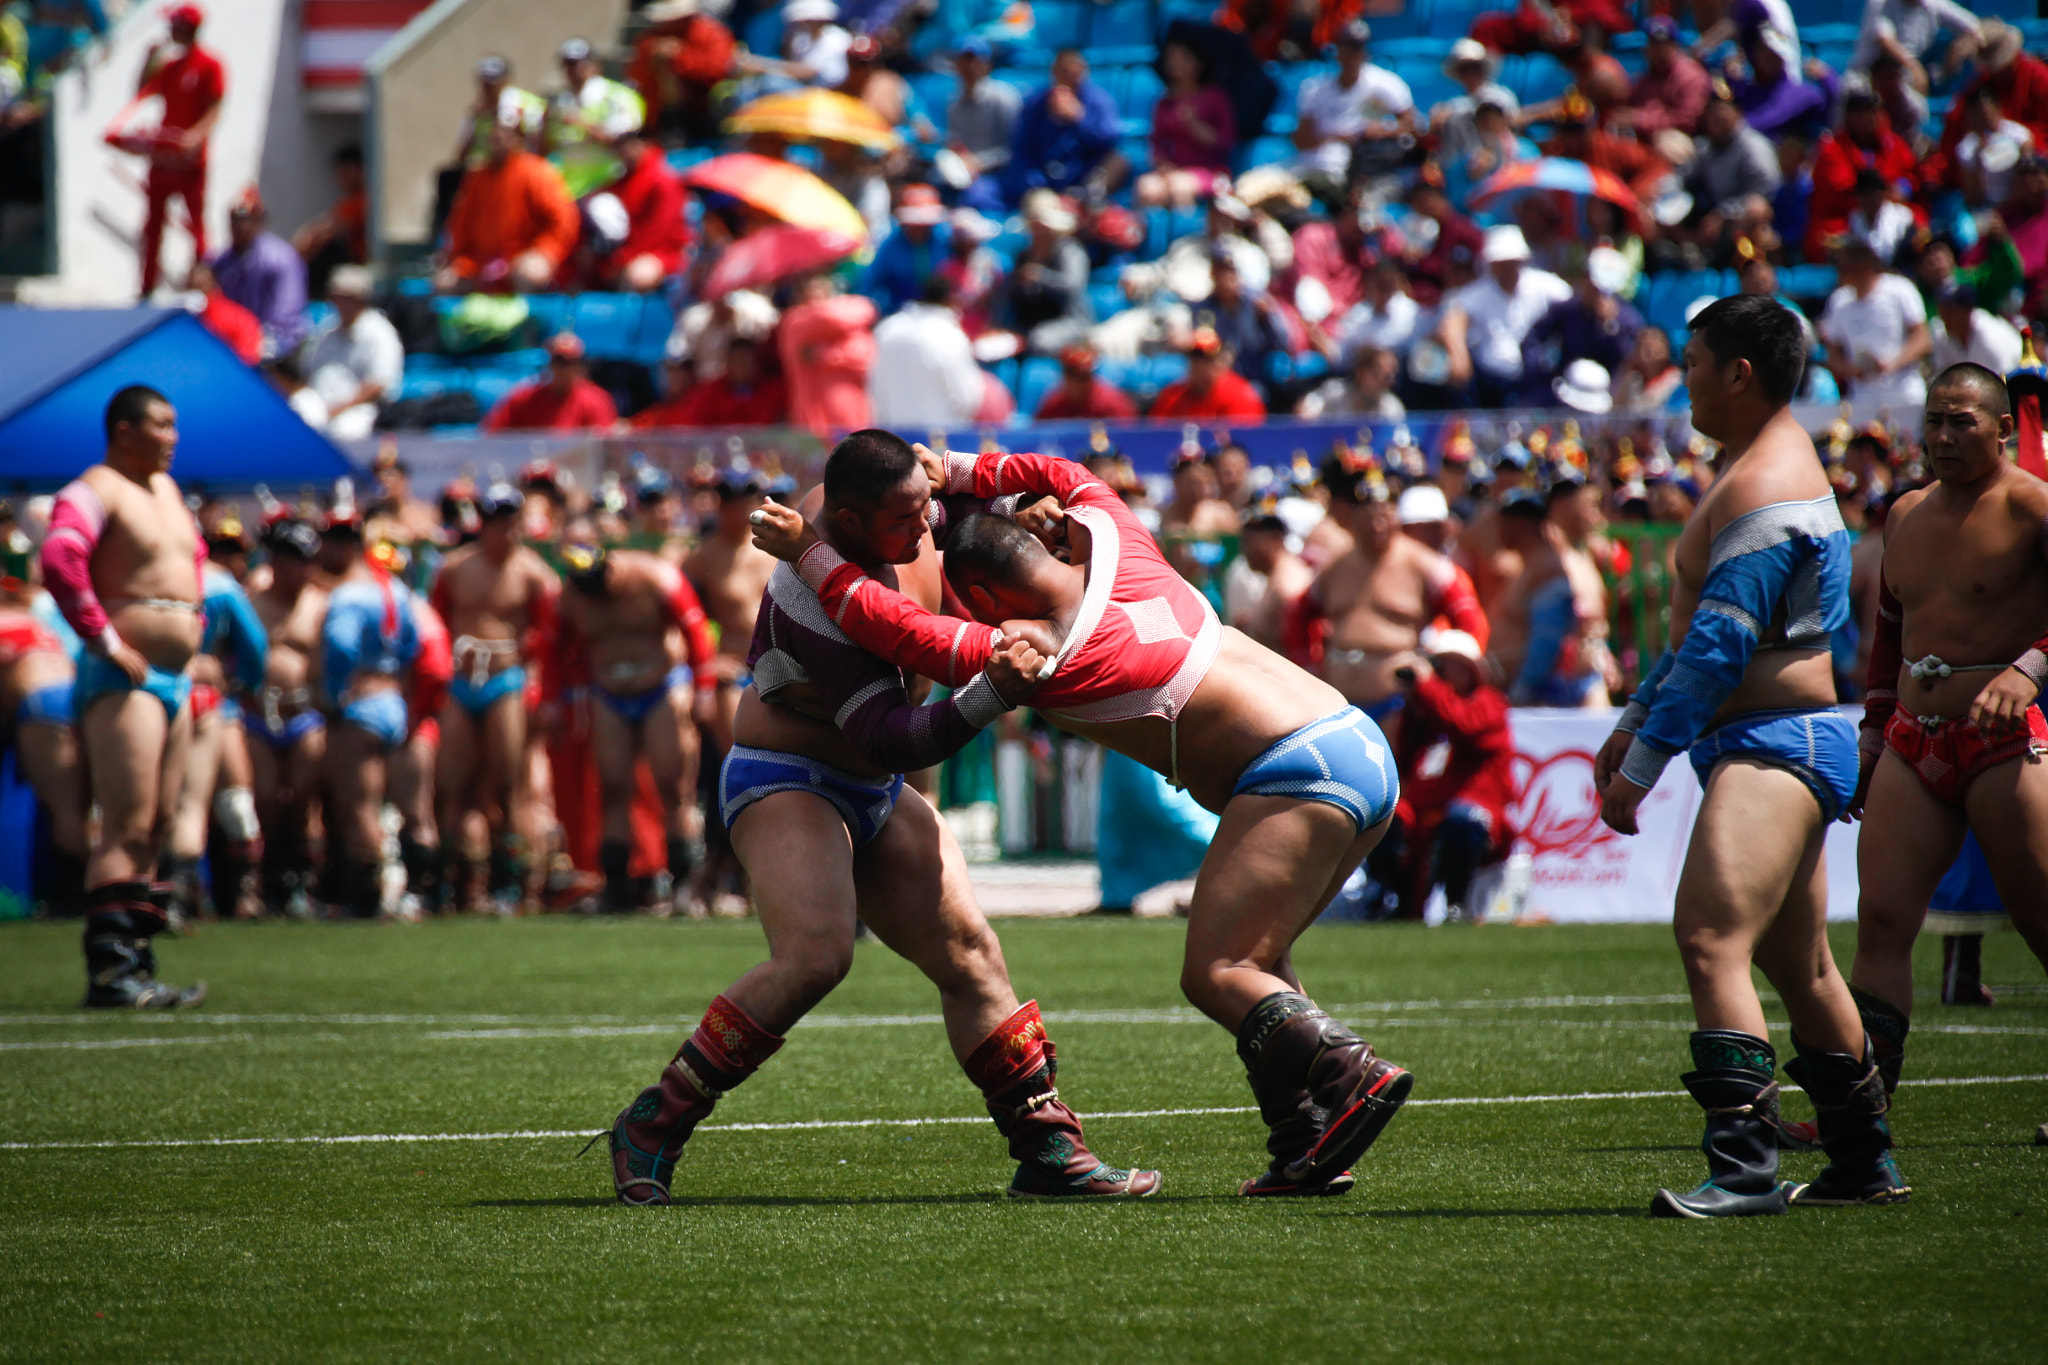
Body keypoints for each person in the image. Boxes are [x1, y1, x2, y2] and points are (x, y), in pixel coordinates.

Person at [752, 435, 1418, 1199]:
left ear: (992, 601)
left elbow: (898, 628)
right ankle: (1304, 1141)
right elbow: (1065, 473)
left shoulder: (1040, 651)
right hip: (1356, 741)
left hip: (1295, 770)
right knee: (1259, 963)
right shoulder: (1115, 531)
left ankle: (1350, 1069)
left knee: (1218, 970)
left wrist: (808, 551)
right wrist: (965, 469)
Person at [601, 433, 1155, 1206]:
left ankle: (1049, 1148)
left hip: (872, 782)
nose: (926, 525)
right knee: (817, 956)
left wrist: (1013, 501)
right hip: (792, 773)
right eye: (904, 519)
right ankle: (654, 1122)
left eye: (927, 504)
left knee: (972, 953)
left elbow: (956, 487)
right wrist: (992, 691)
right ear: (852, 523)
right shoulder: (813, 591)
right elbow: (887, 735)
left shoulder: (908, 502)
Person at [1594, 294, 1899, 1218]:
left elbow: (1723, 647)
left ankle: (1744, 1169)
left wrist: (1640, 760)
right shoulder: (1757, 467)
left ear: (1739, 373)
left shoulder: (1763, 482)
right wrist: (1639, 709)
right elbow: (1706, 638)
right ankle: (1861, 1162)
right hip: (1777, 739)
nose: (1679, 377)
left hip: (1774, 743)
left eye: (1691, 361)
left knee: (1709, 937)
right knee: (1800, 964)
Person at [1845, 362, 2048, 1153]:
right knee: (1883, 922)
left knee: (2039, 917)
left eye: (1961, 421)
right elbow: (1889, 636)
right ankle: (1859, 1113)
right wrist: (1870, 732)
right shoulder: (1903, 514)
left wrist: (2026, 670)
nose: (1941, 436)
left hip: (2005, 739)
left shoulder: (2035, 507)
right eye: (1933, 420)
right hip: (1911, 739)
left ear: (2002, 427)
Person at [38, 386, 207, 1006]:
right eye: (162, 425)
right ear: (123, 431)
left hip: (173, 678)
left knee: (158, 824)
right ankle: (110, 975)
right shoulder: (97, 487)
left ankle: (135, 960)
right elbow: (59, 557)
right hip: (125, 679)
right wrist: (104, 640)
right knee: (127, 824)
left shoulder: (166, 492)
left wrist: (194, 635)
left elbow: (193, 567)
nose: (174, 436)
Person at [543, 545, 717, 913]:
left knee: (673, 786)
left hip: (662, 687)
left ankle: (685, 886)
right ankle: (618, 887)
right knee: (612, 789)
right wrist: (552, 700)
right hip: (608, 693)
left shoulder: (655, 579)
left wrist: (703, 689)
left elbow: (696, 631)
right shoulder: (572, 599)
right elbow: (552, 648)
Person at [429, 483, 560, 913]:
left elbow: (547, 639)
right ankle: (458, 882)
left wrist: (538, 689)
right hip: (462, 679)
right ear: (483, 525)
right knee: (452, 785)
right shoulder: (454, 569)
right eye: (499, 524)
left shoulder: (534, 573)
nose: (507, 533)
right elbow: (436, 624)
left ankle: (516, 883)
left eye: (513, 524)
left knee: (508, 786)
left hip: (506, 679)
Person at [1287, 461, 1488, 724]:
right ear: (1353, 518)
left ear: (1396, 516)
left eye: (1384, 516)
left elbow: (1469, 618)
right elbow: (1297, 616)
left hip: (1398, 702)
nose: (1377, 525)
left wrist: (1450, 675)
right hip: (1339, 701)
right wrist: (1309, 668)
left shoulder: (1425, 565)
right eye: (1369, 517)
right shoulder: (1334, 568)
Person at [160, 520, 266, 921]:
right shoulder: (222, 584)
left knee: (163, 804)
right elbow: (255, 645)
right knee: (223, 803)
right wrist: (243, 684)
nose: (231, 559)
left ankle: (181, 895)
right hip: (207, 700)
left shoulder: (146, 575)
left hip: (153, 695)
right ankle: (233, 897)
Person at [316, 516, 421, 919]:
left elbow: (340, 647)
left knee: (359, 803)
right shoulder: (394, 589)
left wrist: (335, 693)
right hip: (393, 699)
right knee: (390, 805)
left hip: (360, 705)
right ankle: (398, 887)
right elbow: (413, 645)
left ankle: (372, 895)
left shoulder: (349, 595)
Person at [1381, 630, 1514, 921]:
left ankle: (1457, 903)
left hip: (1470, 813)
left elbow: (1464, 726)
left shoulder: (1488, 702)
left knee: (1461, 820)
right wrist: (1415, 701)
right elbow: (1403, 758)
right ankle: (1399, 904)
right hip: (1423, 811)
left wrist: (1428, 687)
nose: (1439, 671)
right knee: (1384, 818)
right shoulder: (1427, 709)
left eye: (1447, 663)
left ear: (1470, 669)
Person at [245, 519, 328, 918]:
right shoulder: (251, 601)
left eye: (308, 560)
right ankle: (265, 881)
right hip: (258, 714)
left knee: (301, 799)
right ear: (276, 560)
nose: (304, 569)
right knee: (263, 798)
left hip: (304, 714)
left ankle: (301, 881)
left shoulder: (320, 603)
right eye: (295, 560)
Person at [0, 566, 85, 916]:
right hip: (73, 699)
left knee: (67, 814)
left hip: (41, 706)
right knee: (80, 807)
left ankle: (74, 900)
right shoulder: (33, 620)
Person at [1494, 477, 1614, 707]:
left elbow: (1547, 637)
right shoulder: (1537, 563)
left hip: (1551, 692)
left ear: (1516, 522)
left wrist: (1523, 691)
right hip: (1548, 689)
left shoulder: (1550, 567)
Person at [131, 3, 223, 298]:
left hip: (190, 162)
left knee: (196, 225)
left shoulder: (209, 65)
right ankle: (146, 288)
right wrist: (149, 61)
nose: (169, 30)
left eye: (174, 24)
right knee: (152, 225)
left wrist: (195, 137)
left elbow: (214, 108)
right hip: (164, 159)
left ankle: (201, 288)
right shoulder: (171, 65)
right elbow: (142, 93)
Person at [436, 117, 580, 294]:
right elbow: (460, 224)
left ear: (518, 138)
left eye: (505, 132)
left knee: (529, 273)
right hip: (480, 261)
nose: (498, 137)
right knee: (444, 283)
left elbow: (564, 221)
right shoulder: (477, 177)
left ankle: (527, 319)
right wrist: (454, 257)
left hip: (523, 256)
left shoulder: (537, 171)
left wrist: (545, 252)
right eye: (495, 132)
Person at [1434, 225, 1572, 409]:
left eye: (1511, 262)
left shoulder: (1545, 285)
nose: (1506, 268)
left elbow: (1575, 307)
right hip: (1491, 381)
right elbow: (1453, 322)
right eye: (1500, 262)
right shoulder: (1479, 292)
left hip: (1537, 376)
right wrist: (1459, 355)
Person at [1289, 20, 1413, 201]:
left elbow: (1410, 125)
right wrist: (1335, 136)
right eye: (1346, 46)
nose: (1351, 53)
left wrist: (1378, 130)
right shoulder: (1315, 89)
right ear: (1337, 49)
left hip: (1359, 171)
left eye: (1357, 47)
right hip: (1316, 166)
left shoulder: (1385, 83)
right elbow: (1301, 140)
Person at [1819, 237, 1930, 408]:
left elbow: (1922, 339)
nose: (1840, 268)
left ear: (1864, 263)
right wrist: (1853, 370)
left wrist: (1891, 364)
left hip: (1905, 395)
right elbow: (1833, 356)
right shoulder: (1838, 301)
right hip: (1863, 401)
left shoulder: (1900, 289)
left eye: (1846, 262)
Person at [1001, 48, 1121, 206]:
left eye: (1074, 72)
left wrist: (1078, 118)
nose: (1068, 78)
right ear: (1054, 72)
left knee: (1118, 161)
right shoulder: (1036, 104)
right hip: (1044, 187)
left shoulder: (1099, 101)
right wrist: (1036, 185)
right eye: (1063, 71)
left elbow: (1109, 140)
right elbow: (1022, 148)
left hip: (1085, 185)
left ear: (1083, 72)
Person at [869, 274, 985, 431]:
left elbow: (873, 385)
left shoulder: (888, 329)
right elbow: (967, 397)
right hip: (939, 439)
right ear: (949, 299)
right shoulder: (948, 334)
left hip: (892, 435)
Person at [303, 265, 402, 442]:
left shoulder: (380, 332)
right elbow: (308, 372)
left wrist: (337, 409)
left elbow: (378, 384)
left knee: (345, 430)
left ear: (360, 299)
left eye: (345, 297)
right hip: (319, 404)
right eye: (335, 297)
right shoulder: (327, 329)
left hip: (359, 411)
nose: (338, 303)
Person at [1135, 39, 1235, 209]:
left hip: (1209, 171)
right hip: (1173, 170)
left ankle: (1188, 233)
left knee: (1180, 186)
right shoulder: (1165, 102)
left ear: (1197, 63)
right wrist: (1162, 165)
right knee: (1146, 186)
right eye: (1171, 58)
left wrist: (1194, 125)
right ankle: (1148, 234)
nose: (1174, 62)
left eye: (1181, 58)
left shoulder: (1215, 97)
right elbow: (1157, 142)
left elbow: (1225, 142)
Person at [210, 188, 309, 358]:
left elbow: (286, 314)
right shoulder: (218, 261)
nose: (241, 226)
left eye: (247, 219)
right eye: (236, 220)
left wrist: (256, 341)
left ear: (259, 222)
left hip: (277, 342)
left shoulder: (281, 258)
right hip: (232, 342)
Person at [543, 37, 645, 200]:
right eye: (568, 65)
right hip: (567, 185)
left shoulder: (618, 97)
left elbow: (624, 144)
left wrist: (580, 123)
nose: (574, 70)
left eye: (579, 64)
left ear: (595, 65)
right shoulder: (560, 102)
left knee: (603, 214)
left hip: (609, 182)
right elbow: (548, 148)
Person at [778, 271, 877, 436]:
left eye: (820, 288)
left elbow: (864, 358)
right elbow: (832, 317)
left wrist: (824, 355)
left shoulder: (854, 321)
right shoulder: (793, 322)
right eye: (809, 289)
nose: (814, 296)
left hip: (853, 415)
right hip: (812, 420)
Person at [592, 127, 687, 292]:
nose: (625, 149)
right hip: (626, 253)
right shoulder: (620, 182)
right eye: (620, 145)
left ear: (645, 144)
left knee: (637, 275)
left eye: (630, 143)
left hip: (663, 252)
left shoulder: (664, 180)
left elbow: (661, 231)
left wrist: (626, 256)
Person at [998, 189, 1091, 356]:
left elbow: (1074, 286)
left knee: (1040, 340)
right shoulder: (1024, 255)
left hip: (1069, 321)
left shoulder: (1070, 251)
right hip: (1030, 323)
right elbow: (1009, 295)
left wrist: (1042, 277)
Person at [630, 0, 734, 142]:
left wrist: (679, 57)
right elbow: (638, 76)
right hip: (660, 117)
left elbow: (718, 70)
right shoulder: (650, 40)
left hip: (704, 111)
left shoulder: (711, 34)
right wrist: (656, 58)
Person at [1617, 16, 1711, 161]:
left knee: (1667, 143)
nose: (1659, 50)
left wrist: (1640, 119)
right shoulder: (1645, 78)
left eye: (1664, 44)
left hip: (1687, 142)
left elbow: (1687, 121)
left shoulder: (1691, 76)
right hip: (1647, 138)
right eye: (1654, 44)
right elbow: (1628, 109)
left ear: (1675, 46)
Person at [481, 334, 618, 433]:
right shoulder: (525, 397)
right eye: (557, 361)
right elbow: (493, 432)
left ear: (580, 366)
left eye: (569, 363)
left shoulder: (595, 399)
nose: (562, 368)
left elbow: (602, 445)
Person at [941, 38, 1018, 210]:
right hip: (961, 174)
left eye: (975, 60)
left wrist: (979, 162)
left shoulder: (1003, 98)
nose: (969, 66)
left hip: (998, 175)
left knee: (975, 198)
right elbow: (955, 143)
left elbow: (1015, 148)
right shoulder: (954, 104)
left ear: (987, 65)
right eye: (964, 61)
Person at [1230, 510, 1313, 650]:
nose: (1245, 550)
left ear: (1275, 539)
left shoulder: (1289, 582)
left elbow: (1301, 638)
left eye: (1250, 542)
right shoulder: (1277, 576)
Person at [865, 185, 952, 319]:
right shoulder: (890, 245)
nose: (920, 227)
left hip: (941, 313)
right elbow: (870, 284)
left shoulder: (945, 239)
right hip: (899, 314)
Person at [291, 143, 367, 297]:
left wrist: (295, 256)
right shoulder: (346, 202)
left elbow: (326, 230)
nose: (341, 177)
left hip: (359, 267)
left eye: (346, 171)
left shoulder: (364, 200)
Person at [1431, 38, 1518, 169]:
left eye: (1474, 67)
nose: (1470, 73)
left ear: (1482, 69)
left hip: (1497, 159)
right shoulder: (1455, 102)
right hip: (1462, 163)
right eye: (1464, 69)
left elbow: (1505, 123)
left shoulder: (1501, 95)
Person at [1151, 327, 1267, 420]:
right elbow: (1157, 436)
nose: (1200, 365)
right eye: (1195, 358)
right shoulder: (1173, 396)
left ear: (1220, 361)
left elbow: (1246, 438)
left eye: (1207, 359)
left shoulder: (1239, 394)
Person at [1931, 282, 2022, 374]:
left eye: (1951, 311)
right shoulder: (1941, 331)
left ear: (1968, 311)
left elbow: (2005, 379)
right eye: (1942, 309)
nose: (1945, 316)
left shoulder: (1990, 337)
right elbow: (1942, 375)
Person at [1034, 343, 1136, 421]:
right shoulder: (1054, 402)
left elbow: (1129, 439)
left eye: (1082, 377)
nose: (1076, 382)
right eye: (1071, 373)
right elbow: (1038, 437)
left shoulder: (1111, 403)